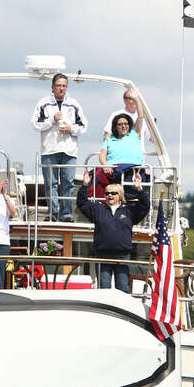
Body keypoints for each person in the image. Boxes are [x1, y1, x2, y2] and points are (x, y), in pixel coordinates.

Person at [77, 169, 149, 292]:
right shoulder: (98, 209)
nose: (109, 195)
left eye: (113, 193)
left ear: (120, 196)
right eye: (107, 193)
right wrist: (85, 185)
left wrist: (139, 189)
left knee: (123, 288)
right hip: (102, 256)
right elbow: (82, 203)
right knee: (103, 289)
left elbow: (144, 206)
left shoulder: (129, 211)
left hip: (122, 256)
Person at [30, 73, 87, 221]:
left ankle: (66, 215)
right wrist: (51, 120)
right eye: (58, 85)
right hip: (49, 150)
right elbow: (35, 124)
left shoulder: (74, 104)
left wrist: (71, 128)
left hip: (69, 150)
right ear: (52, 87)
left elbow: (84, 126)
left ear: (67, 87)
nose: (61, 88)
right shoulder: (43, 103)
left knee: (68, 183)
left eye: (64, 86)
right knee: (51, 184)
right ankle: (52, 214)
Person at [94, 113, 144, 196]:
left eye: (126, 124)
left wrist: (136, 99)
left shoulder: (134, 135)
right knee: (97, 175)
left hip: (131, 169)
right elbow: (102, 155)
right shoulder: (109, 140)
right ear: (115, 126)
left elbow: (141, 116)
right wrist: (105, 165)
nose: (123, 126)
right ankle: (101, 202)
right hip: (112, 169)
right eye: (120, 124)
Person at [103, 86, 152, 152]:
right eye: (131, 98)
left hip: (138, 158)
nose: (134, 101)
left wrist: (154, 128)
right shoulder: (116, 115)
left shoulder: (144, 117)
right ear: (125, 100)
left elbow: (152, 139)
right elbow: (107, 137)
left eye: (136, 98)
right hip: (121, 156)